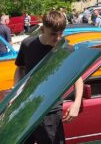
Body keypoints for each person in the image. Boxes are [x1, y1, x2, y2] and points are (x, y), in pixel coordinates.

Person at [15, 11, 82, 144]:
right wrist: (16, 91)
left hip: (51, 110)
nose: (57, 38)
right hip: (26, 108)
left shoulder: (66, 49)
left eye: (61, 33)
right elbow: (20, 68)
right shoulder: (28, 44)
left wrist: (77, 103)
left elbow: (77, 77)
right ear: (42, 29)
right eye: (53, 34)